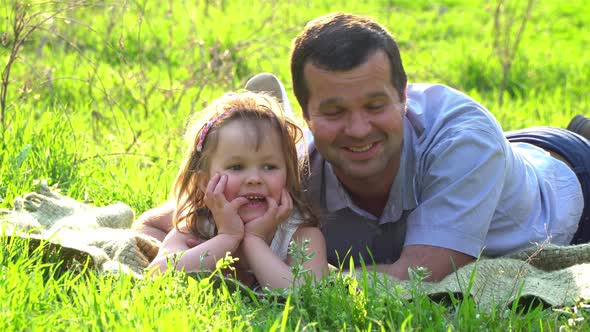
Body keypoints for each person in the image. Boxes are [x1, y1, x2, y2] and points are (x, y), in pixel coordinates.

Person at [137, 12, 590, 282]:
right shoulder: (290, 169)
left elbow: (417, 275)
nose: (357, 129)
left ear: (403, 94)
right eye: (334, 113)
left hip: (570, 182)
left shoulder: (463, 142)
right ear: (305, 114)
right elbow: (163, 221)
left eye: (375, 105)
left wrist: (284, 280)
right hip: (499, 158)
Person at [146, 91, 328, 289]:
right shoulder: (197, 226)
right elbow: (157, 274)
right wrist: (227, 237)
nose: (254, 179)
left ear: (289, 176)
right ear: (205, 182)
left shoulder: (300, 233)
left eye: (269, 167)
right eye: (236, 167)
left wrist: (254, 240)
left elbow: (309, 293)